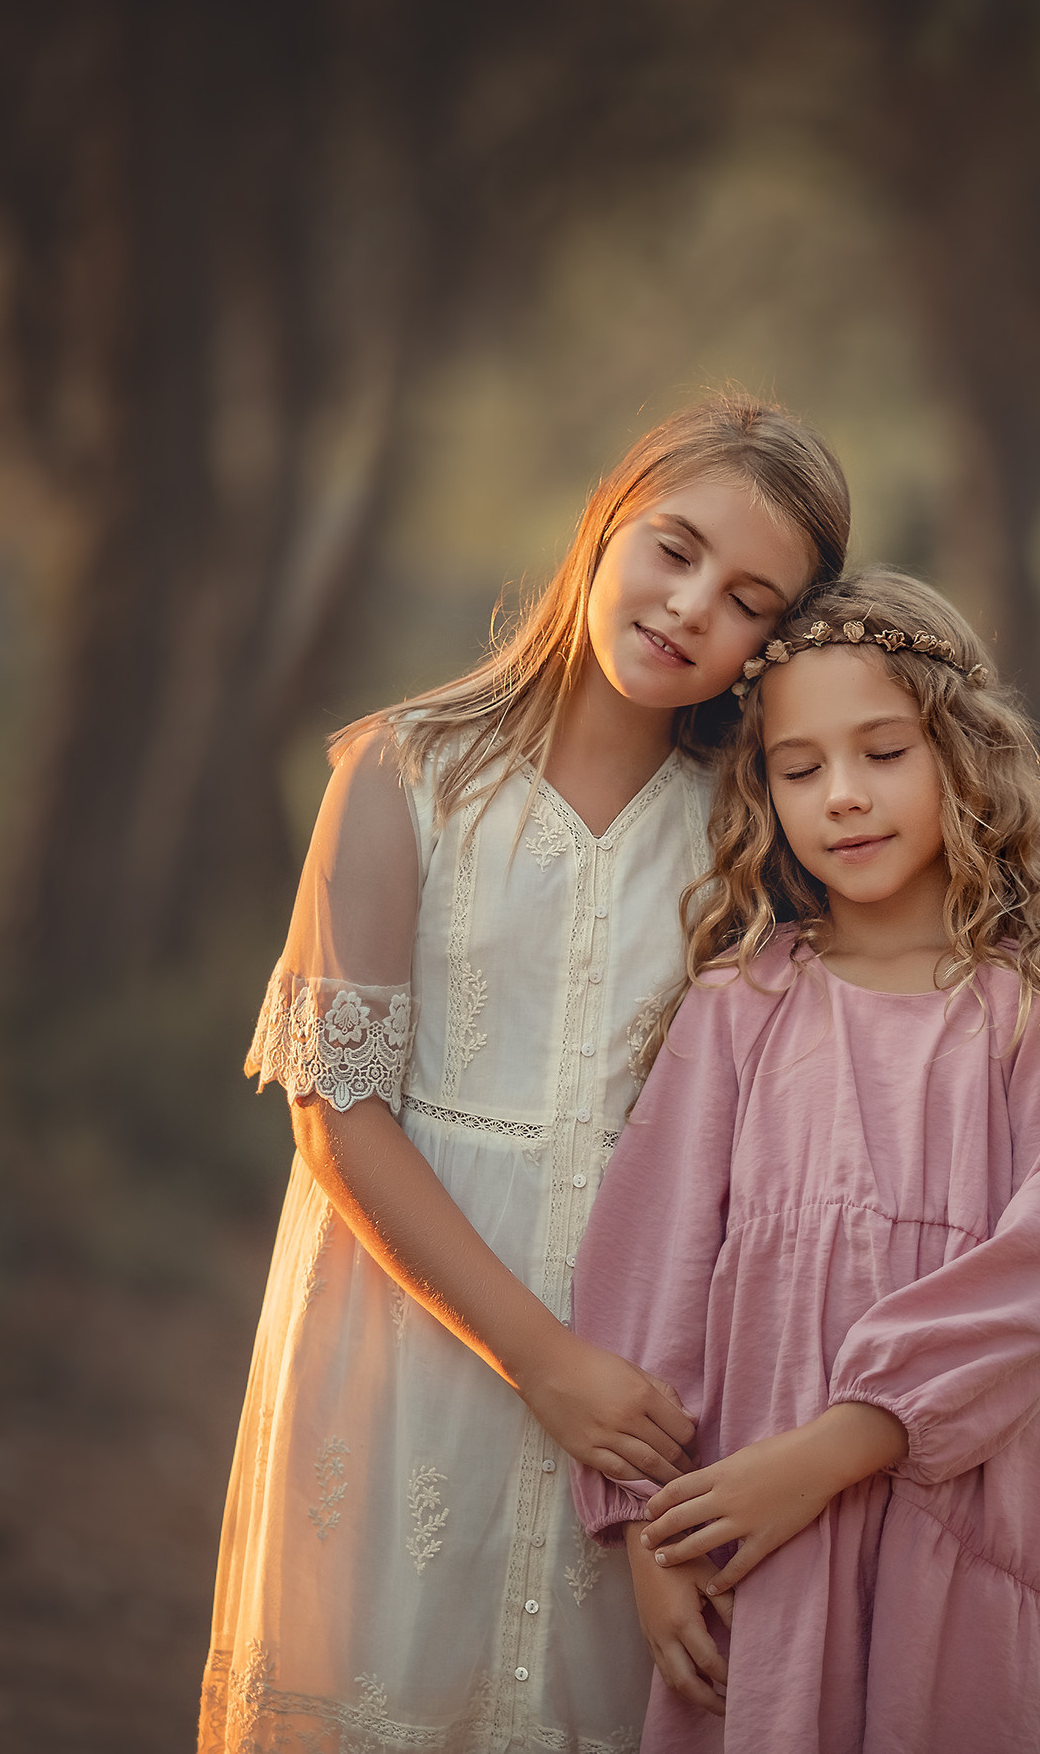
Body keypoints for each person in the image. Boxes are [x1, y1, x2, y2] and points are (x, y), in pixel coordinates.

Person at [199, 393, 851, 1753]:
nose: (689, 607)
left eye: (747, 600)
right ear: (606, 521)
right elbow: (339, 1113)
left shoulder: (750, 836)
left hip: (645, 1361)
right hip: (409, 1331)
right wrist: (540, 1359)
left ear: (774, 643)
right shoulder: (407, 772)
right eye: (674, 548)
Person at [570, 569, 1040, 1752]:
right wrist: (651, 1530)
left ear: (963, 755)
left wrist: (836, 1448)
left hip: (974, 1508)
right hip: (759, 1522)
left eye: (884, 752)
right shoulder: (740, 1006)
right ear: (762, 790)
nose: (843, 794)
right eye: (800, 769)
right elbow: (647, 1274)